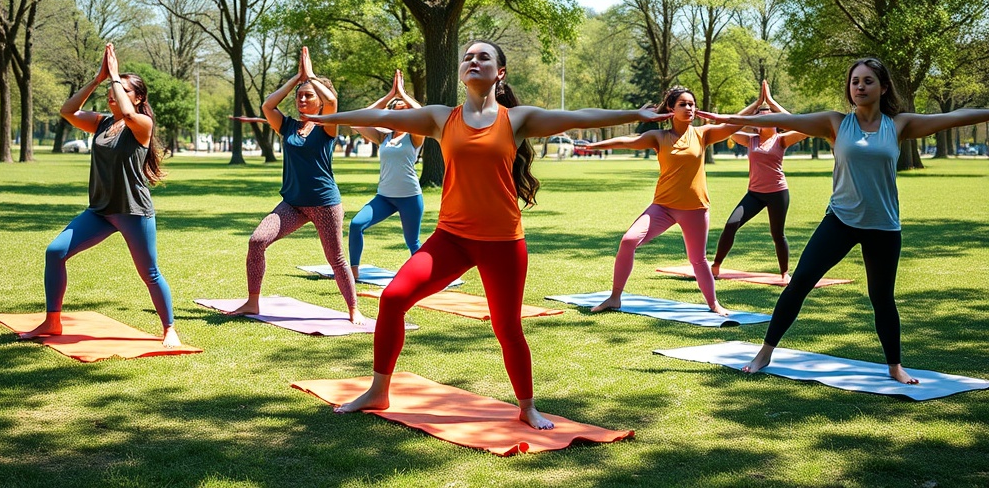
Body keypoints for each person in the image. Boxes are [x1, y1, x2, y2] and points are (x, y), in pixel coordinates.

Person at [301, 40, 666, 429]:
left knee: (506, 326)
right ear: (462, 72)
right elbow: (386, 119)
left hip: (504, 243)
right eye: (468, 57)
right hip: (451, 239)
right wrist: (328, 118)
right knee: (392, 299)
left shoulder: (517, 119)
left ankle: (527, 407)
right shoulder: (441, 118)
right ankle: (378, 390)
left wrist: (634, 113)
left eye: (483, 57)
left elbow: (576, 116)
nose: (473, 61)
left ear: (500, 72)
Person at [699, 57, 989, 384]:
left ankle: (895, 366)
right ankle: (764, 352)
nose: (860, 87)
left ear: (883, 87)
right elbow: (785, 117)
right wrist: (724, 117)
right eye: (855, 82)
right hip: (840, 220)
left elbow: (953, 117)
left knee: (882, 299)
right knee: (800, 283)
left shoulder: (899, 125)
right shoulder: (836, 123)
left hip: (883, 227)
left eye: (867, 81)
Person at [20, 44, 180, 347]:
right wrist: (98, 78)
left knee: (149, 273)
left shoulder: (140, 125)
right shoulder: (102, 123)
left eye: (119, 90)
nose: (112, 95)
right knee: (55, 252)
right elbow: (67, 111)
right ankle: (52, 322)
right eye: (109, 91)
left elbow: (130, 112)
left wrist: (116, 76)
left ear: (139, 97)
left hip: (133, 211)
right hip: (101, 211)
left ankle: (169, 327)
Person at [583, 86, 757, 316]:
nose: (689, 108)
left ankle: (714, 304)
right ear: (670, 109)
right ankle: (615, 297)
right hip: (663, 207)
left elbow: (733, 124)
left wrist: (757, 104)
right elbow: (628, 141)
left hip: (694, 208)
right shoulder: (659, 137)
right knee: (628, 241)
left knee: (698, 259)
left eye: (692, 104)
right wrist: (594, 146)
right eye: (683, 104)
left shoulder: (702, 134)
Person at [228, 46, 362, 324]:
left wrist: (311, 76)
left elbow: (334, 102)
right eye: (300, 96)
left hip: (325, 203)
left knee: (335, 258)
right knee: (257, 241)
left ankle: (353, 310)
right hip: (293, 203)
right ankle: (253, 302)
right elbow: (267, 106)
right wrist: (297, 79)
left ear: (319, 102)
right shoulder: (288, 126)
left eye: (308, 95)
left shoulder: (328, 125)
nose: (302, 99)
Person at [712, 81, 808, 284]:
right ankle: (716, 266)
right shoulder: (750, 139)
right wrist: (755, 104)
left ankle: (784, 273)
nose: (763, 123)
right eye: (759, 120)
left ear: (776, 122)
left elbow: (803, 126)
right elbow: (725, 127)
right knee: (731, 225)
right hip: (754, 194)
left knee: (777, 234)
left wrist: (772, 102)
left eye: (769, 119)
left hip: (777, 193)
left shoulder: (781, 140)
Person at [347, 70, 426, 280]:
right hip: (385, 197)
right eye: (396, 110)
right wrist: (389, 96)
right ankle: (353, 274)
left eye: (405, 110)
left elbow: (423, 114)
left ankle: (425, 279)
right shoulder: (383, 136)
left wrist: (403, 94)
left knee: (413, 242)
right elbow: (357, 121)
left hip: (409, 197)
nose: (400, 113)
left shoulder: (415, 135)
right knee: (356, 225)